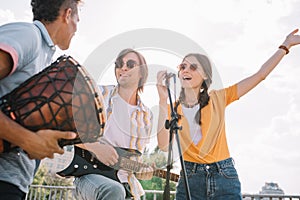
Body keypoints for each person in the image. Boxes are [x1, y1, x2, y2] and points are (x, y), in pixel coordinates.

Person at [156, 29, 300, 199]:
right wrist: (162, 100)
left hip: (223, 177)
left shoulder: (218, 98)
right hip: (190, 178)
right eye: (183, 66)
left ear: (204, 76)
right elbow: (164, 145)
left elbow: (260, 75)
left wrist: (285, 46)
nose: (186, 70)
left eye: (193, 67)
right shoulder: (172, 107)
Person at [0, 0, 82, 199]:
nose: (77, 28)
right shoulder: (29, 35)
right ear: (67, 14)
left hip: (15, 183)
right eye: (77, 20)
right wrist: (27, 139)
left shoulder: (45, 57)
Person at [74, 48, 154, 200]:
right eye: (119, 64)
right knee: (114, 191)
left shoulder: (146, 116)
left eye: (130, 64)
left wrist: (144, 171)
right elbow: (66, 127)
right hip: (90, 175)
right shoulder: (98, 93)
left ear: (142, 73)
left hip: (127, 184)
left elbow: (134, 158)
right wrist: (95, 148)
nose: (123, 68)